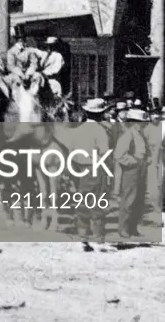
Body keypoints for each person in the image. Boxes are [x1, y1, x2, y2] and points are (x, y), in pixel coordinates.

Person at [73, 98, 113, 251]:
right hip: (96, 168)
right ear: (101, 114)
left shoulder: (78, 129)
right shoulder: (100, 130)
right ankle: (98, 240)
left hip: (79, 169)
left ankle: (83, 238)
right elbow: (104, 153)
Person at [114, 117, 150, 240]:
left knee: (139, 199)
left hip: (141, 168)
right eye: (141, 122)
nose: (143, 124)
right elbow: (119, 154)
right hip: (131, 169)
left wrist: (145, 161)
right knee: (129, 199)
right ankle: (123, 229)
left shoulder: (140, 134)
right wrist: (133, 162)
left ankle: (133, 228)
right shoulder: (127, 135)